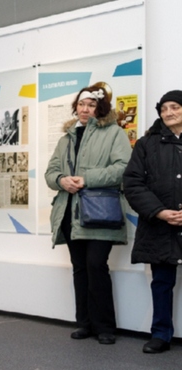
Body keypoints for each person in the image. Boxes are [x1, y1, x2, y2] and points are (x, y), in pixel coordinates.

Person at [45, 84, 132, 344]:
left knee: (96, 265)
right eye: (81, 104)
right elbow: (51, 173)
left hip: (99, 211)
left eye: (91, 105)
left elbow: (123, 168)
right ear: (76, 107)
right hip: (69, 212)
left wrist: (86, 179)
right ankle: (84, 323)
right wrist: (61, 181)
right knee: (80, 268)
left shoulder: (114, 132)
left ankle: (104, 327)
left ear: (100, 108)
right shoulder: (66, 138)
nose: (85, 109)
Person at [124, 90, 182, 354]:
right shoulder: (146, 144)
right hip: (160, 226)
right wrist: (159, 211)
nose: (169, 112)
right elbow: (133, 184)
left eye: (175, 107)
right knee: (161, 283)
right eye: (164, 108)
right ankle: (160, 334)